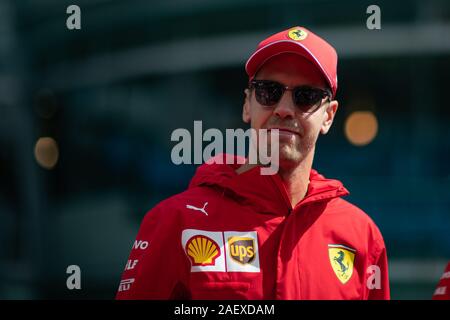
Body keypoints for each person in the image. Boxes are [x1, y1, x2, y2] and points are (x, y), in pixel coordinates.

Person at [116, 26, 390, 299]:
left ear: (328, 116)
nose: (283, 109)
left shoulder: (362, 237)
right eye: (269, 91)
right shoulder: (175, 221)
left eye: (306, 96)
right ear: (248, 105)